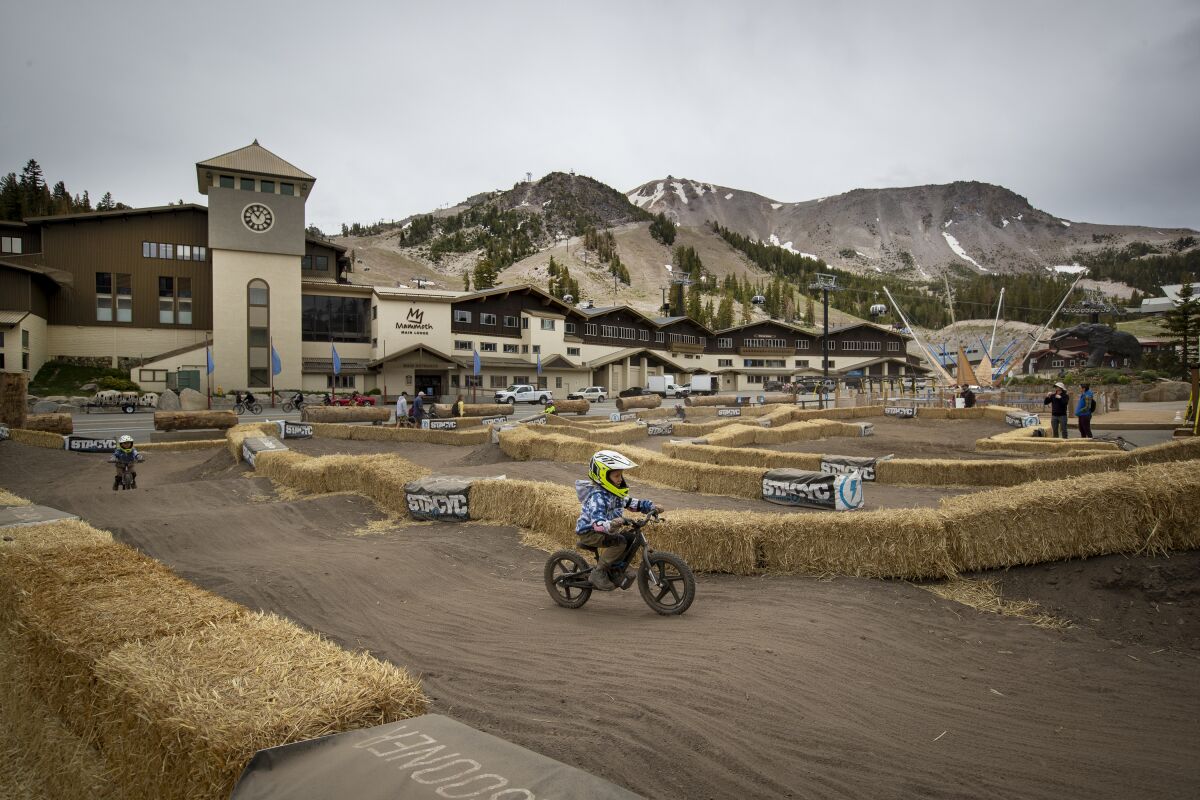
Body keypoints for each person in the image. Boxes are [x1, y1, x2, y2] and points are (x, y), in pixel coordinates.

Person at [575, 450, 663, 591]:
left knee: (629, 537)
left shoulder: (614, 493)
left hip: (607, 529)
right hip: (590, 532)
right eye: (616, 475)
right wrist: (611, 524)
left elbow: (631, 503)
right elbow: (597, 523)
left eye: (621, 475)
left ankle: (615, 570)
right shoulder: (597, 497)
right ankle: (598, 572)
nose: (620, 479)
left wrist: (651, 506)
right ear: (603, 477)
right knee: (619, 542)